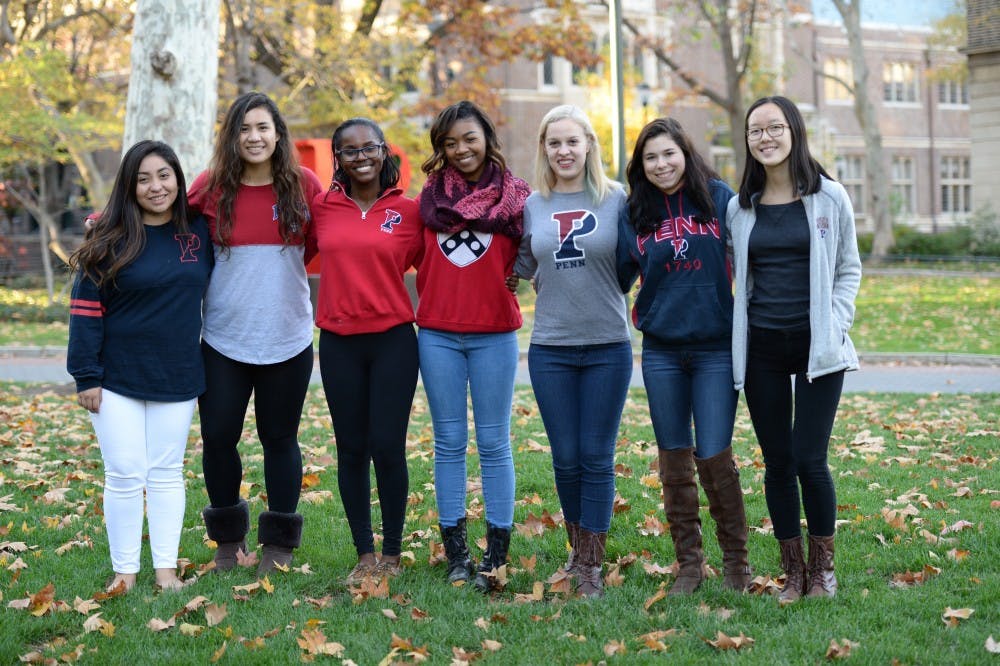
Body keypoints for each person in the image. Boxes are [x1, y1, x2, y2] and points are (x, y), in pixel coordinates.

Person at [728, 95, 861, 603]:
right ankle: (793, 571)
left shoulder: (830, 197)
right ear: (748, 140)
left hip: (819, 348)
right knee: (777, 460)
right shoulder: (740, 208)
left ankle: (823, 570)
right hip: (761, 344)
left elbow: (849, 267)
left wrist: (837, 320)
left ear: (794, 131)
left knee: (810, 457)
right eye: (755, 130)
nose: (765, 137)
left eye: (775, 127)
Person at [68, 140, 212, 592]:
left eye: (164, 175)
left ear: (178, 179)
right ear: (129, 185)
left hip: (178, 372)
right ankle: (125, 573)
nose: (156, 186)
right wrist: (86, 375)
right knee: (126, 472)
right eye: (144, 178)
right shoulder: (108, 238)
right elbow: (85, 309)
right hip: (116, 379)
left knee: (167, 472)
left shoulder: (199, 231)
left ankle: (166, 572)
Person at [188, 92, 323, 575]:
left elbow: (318, 245)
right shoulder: (210, 188)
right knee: (219, 436)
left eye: (263, 127)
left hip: (288, 339)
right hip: (223, 341)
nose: (254, 137)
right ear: (232, 137)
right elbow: (167, 228)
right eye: (244, 129)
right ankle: (228, 543)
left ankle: (278, 546)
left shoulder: (303, 185)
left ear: (278, 133)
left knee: (279, 439)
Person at [617, 118, 751, 595]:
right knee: (673, 457)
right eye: (650, 157)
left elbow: (754, 254)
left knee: (714, 453)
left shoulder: (718, 199)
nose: (661, 164)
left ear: (685, 153)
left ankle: (736, 562)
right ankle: (689, 565)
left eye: (668, 154)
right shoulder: (634, 211)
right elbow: (614, 273)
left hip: (715, 347)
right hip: (662, 351)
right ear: (641, 165)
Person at [514, 105, 631, 598]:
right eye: (553, 143)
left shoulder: (618, 199)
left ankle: (591, 566)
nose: (563, 151)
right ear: (544, 149)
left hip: (607, 342)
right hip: (551, 348)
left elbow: (634, 260)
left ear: (589, 146)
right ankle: (577, 548)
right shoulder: (532, 205)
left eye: (572, 142)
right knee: (565, 457)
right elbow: (520, 263)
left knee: (596, 456)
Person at [416, 101, 531, 591]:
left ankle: (496, 554)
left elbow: (536, 248)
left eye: (469, 138)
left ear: (487, 137)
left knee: (493, 442)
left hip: (494, 335)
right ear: (440, 148)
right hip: (437, 333)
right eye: (450, 142)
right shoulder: (426, 202)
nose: (461, 149)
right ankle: (457, 554)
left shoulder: (517, 199)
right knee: (447, 443)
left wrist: (520, 273)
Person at [310, 118, 423, 584]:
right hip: (338, 344)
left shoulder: (409, 211)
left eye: (369, 147)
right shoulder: (321, 207)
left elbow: (439, 264)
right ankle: (364, 553)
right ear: (337, 158)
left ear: (384, 152)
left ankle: (393, 553)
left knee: (387, 447)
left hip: (394, 341)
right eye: (350, 150)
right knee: (351, 448)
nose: (361, 157)